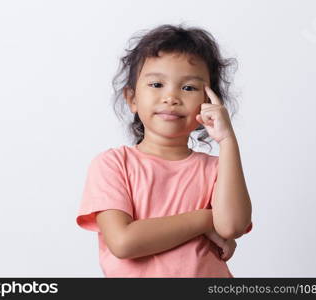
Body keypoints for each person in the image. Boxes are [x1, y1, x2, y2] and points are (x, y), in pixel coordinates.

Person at [76, 23, 253, 277]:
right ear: (132, 99)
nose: (171, 97)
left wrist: (227, 141)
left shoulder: (217, 169)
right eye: (157, 84)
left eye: (189, 88)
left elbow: (232, 226)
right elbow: (124, 242)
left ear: (208, 103)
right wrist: (205, 220)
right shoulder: (113, 164)